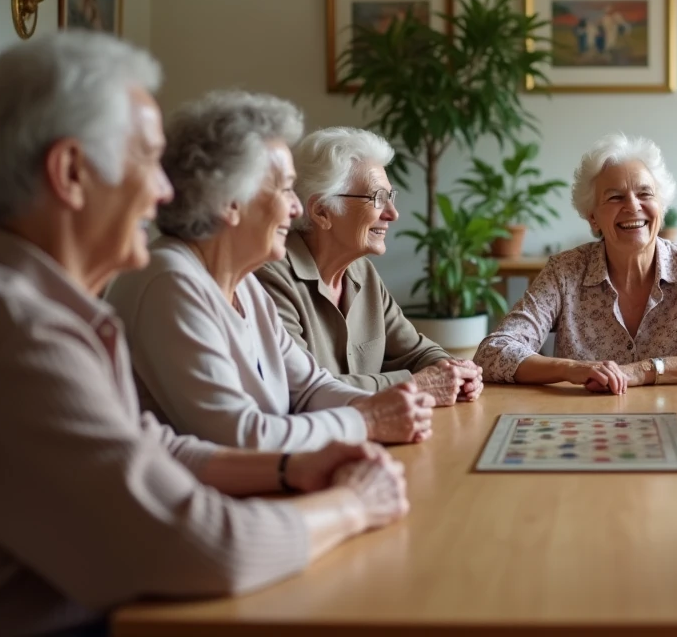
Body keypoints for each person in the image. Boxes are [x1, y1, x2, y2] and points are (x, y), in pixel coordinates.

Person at [0, 33, 409, 637]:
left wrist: (293, 470)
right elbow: (210, 547)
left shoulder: (56, 310)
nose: (166, 191)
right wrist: (354, 503)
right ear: (72, 172)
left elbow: (153, 446)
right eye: (144, 159)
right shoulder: (21, 331)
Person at [106, 91, 434, 452]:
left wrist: (381, 406)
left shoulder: (241, 282)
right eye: (284, 189)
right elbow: (240, 436)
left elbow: (310, 387)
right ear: (231, 202)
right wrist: (368, 420)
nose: (296, 209)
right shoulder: (170, 282)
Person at [475, 133, 677, 392]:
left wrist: (644, 371)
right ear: (592, 217)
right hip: (586, 427)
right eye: (615, 197)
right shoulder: (565, 272)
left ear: (661, 206)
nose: (633, 206)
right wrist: (572, 369)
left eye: (645, 193)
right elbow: (493, 353)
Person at [255, 127, 482, 404]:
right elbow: (300, 390)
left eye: (390, 197)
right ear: (321, 211)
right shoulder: (271, 278)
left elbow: (417, 352)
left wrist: (454, 371)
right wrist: (415, 385)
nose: (392, 213)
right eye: (377, 198)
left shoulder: (361, 271)